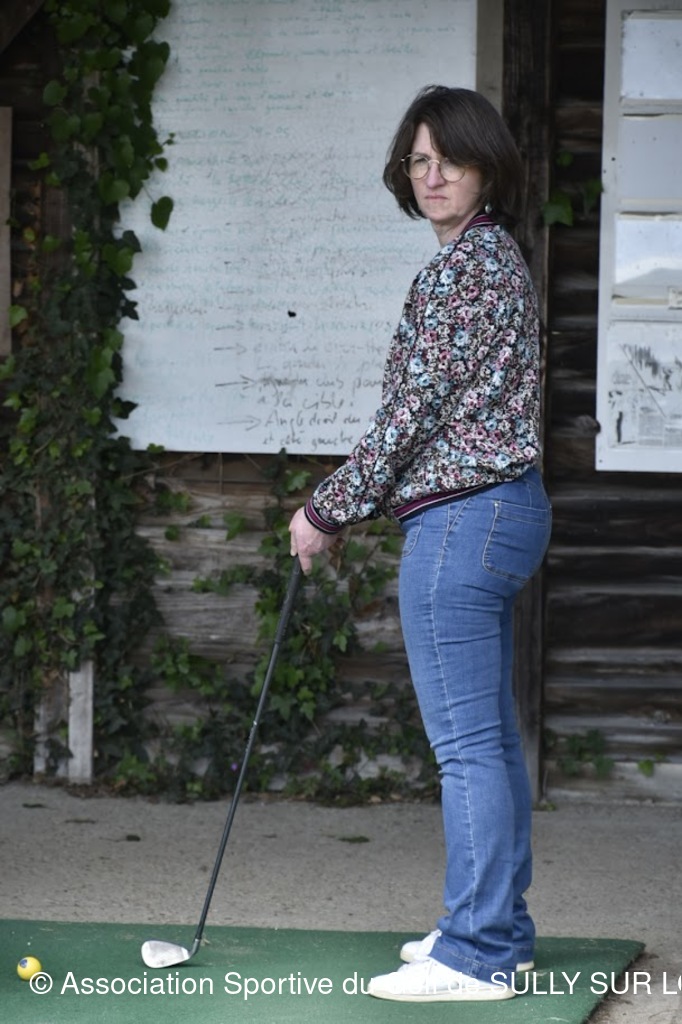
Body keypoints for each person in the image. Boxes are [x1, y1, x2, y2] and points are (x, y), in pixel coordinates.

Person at [288, 85, 552, 1003]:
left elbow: (410, 418)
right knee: (490, 743)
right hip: (500, 512)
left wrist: (325, 509)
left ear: (487, 166)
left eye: (451, 159)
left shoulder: (464, 269)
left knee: (468, 748)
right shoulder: (491, 256)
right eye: (418, 161)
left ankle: (479, 955)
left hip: (465, 522)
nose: (432, 176)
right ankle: (499, 929)